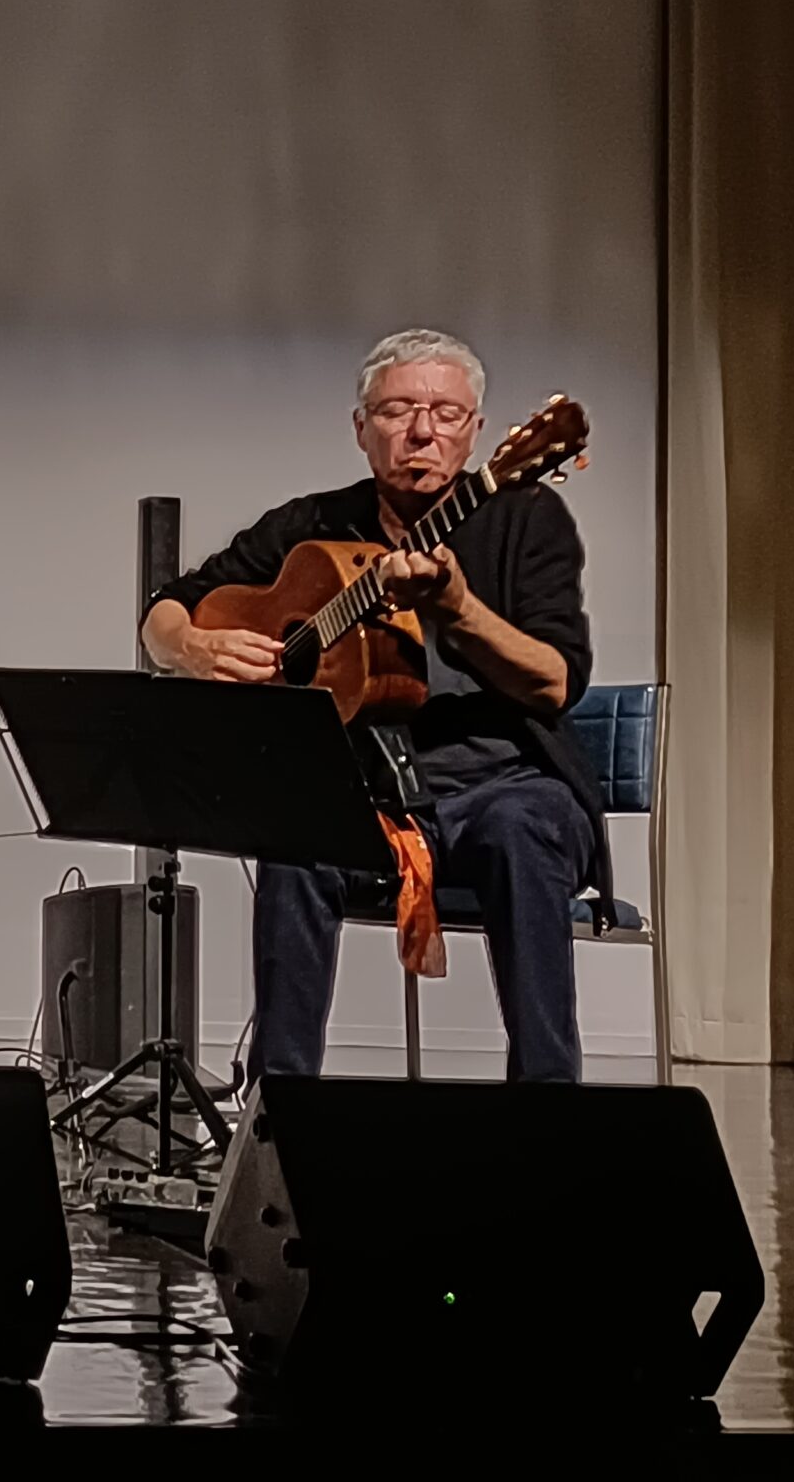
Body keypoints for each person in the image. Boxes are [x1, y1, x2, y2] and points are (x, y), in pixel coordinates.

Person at [141, 328, 606, 1082]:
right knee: (295, 833)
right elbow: (168, 608)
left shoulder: (527, 520)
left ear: (479, 434)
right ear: (362, 429)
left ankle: (546, 1112)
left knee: (525, 828)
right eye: (397, 410)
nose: (422, 431)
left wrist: (456, 609)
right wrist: (194, 649)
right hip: (364, 795)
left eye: (446, 414)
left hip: (501, 787)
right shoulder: (312, 526)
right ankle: (279, 1118)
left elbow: (555, 682)